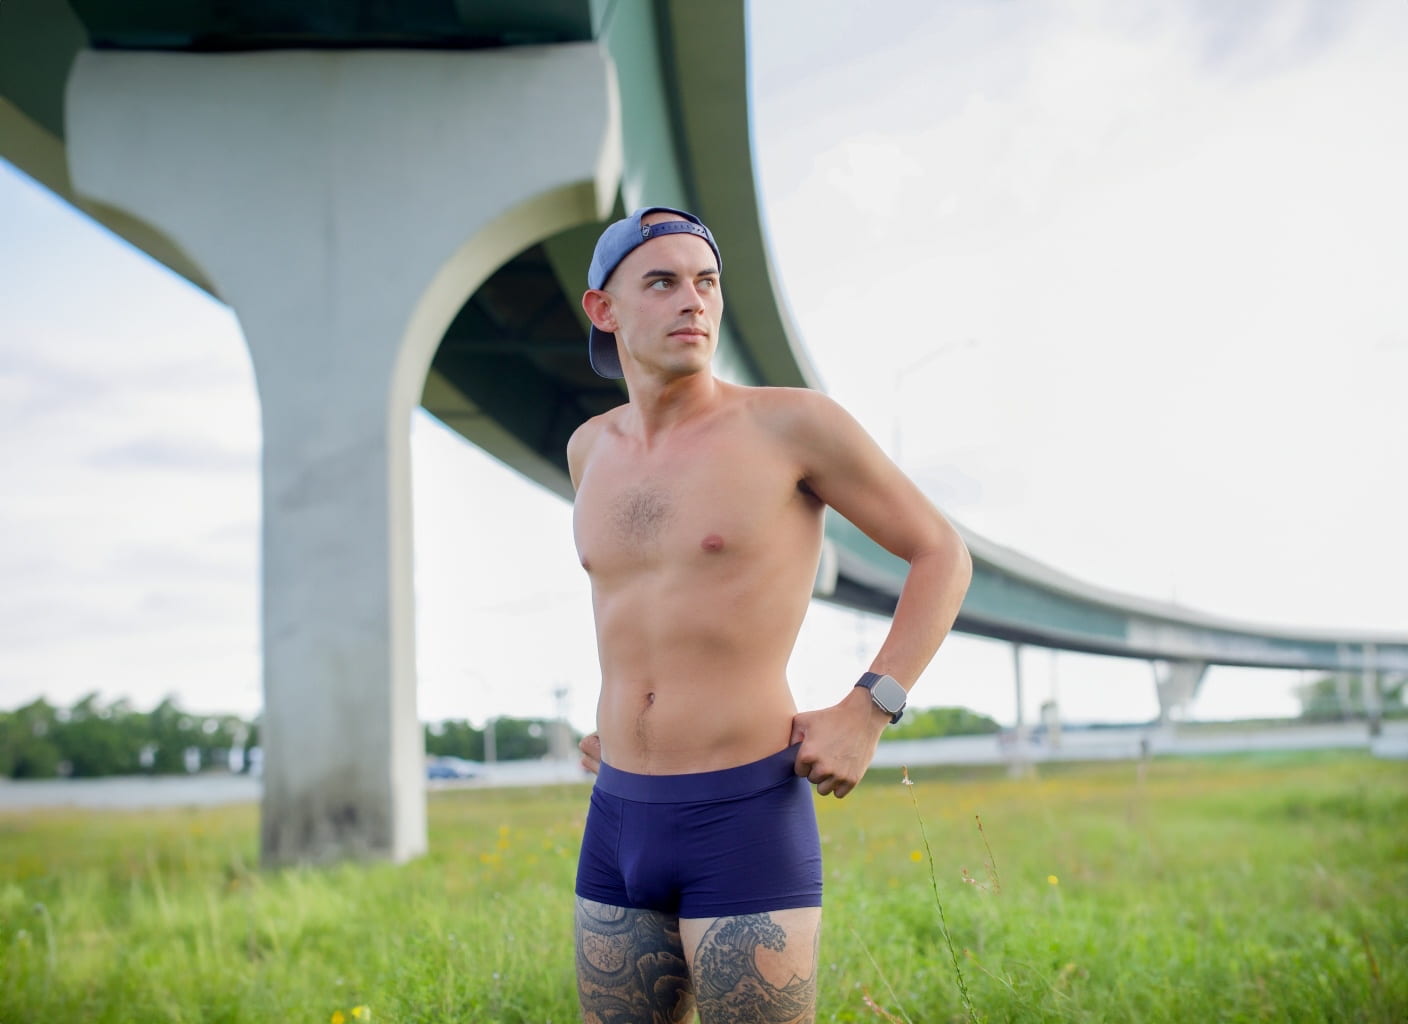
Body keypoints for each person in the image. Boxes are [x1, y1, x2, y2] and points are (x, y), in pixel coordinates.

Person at [567, 206, 972, 1023]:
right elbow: (637, 601)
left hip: (742, 814)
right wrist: (622, 714)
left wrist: (870, 706)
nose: (695, 302)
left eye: (707, 282)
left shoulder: (792, 426)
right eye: (663, 282)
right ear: (603, 310)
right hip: (616, 814)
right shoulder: (589, 449)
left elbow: (941, 553)